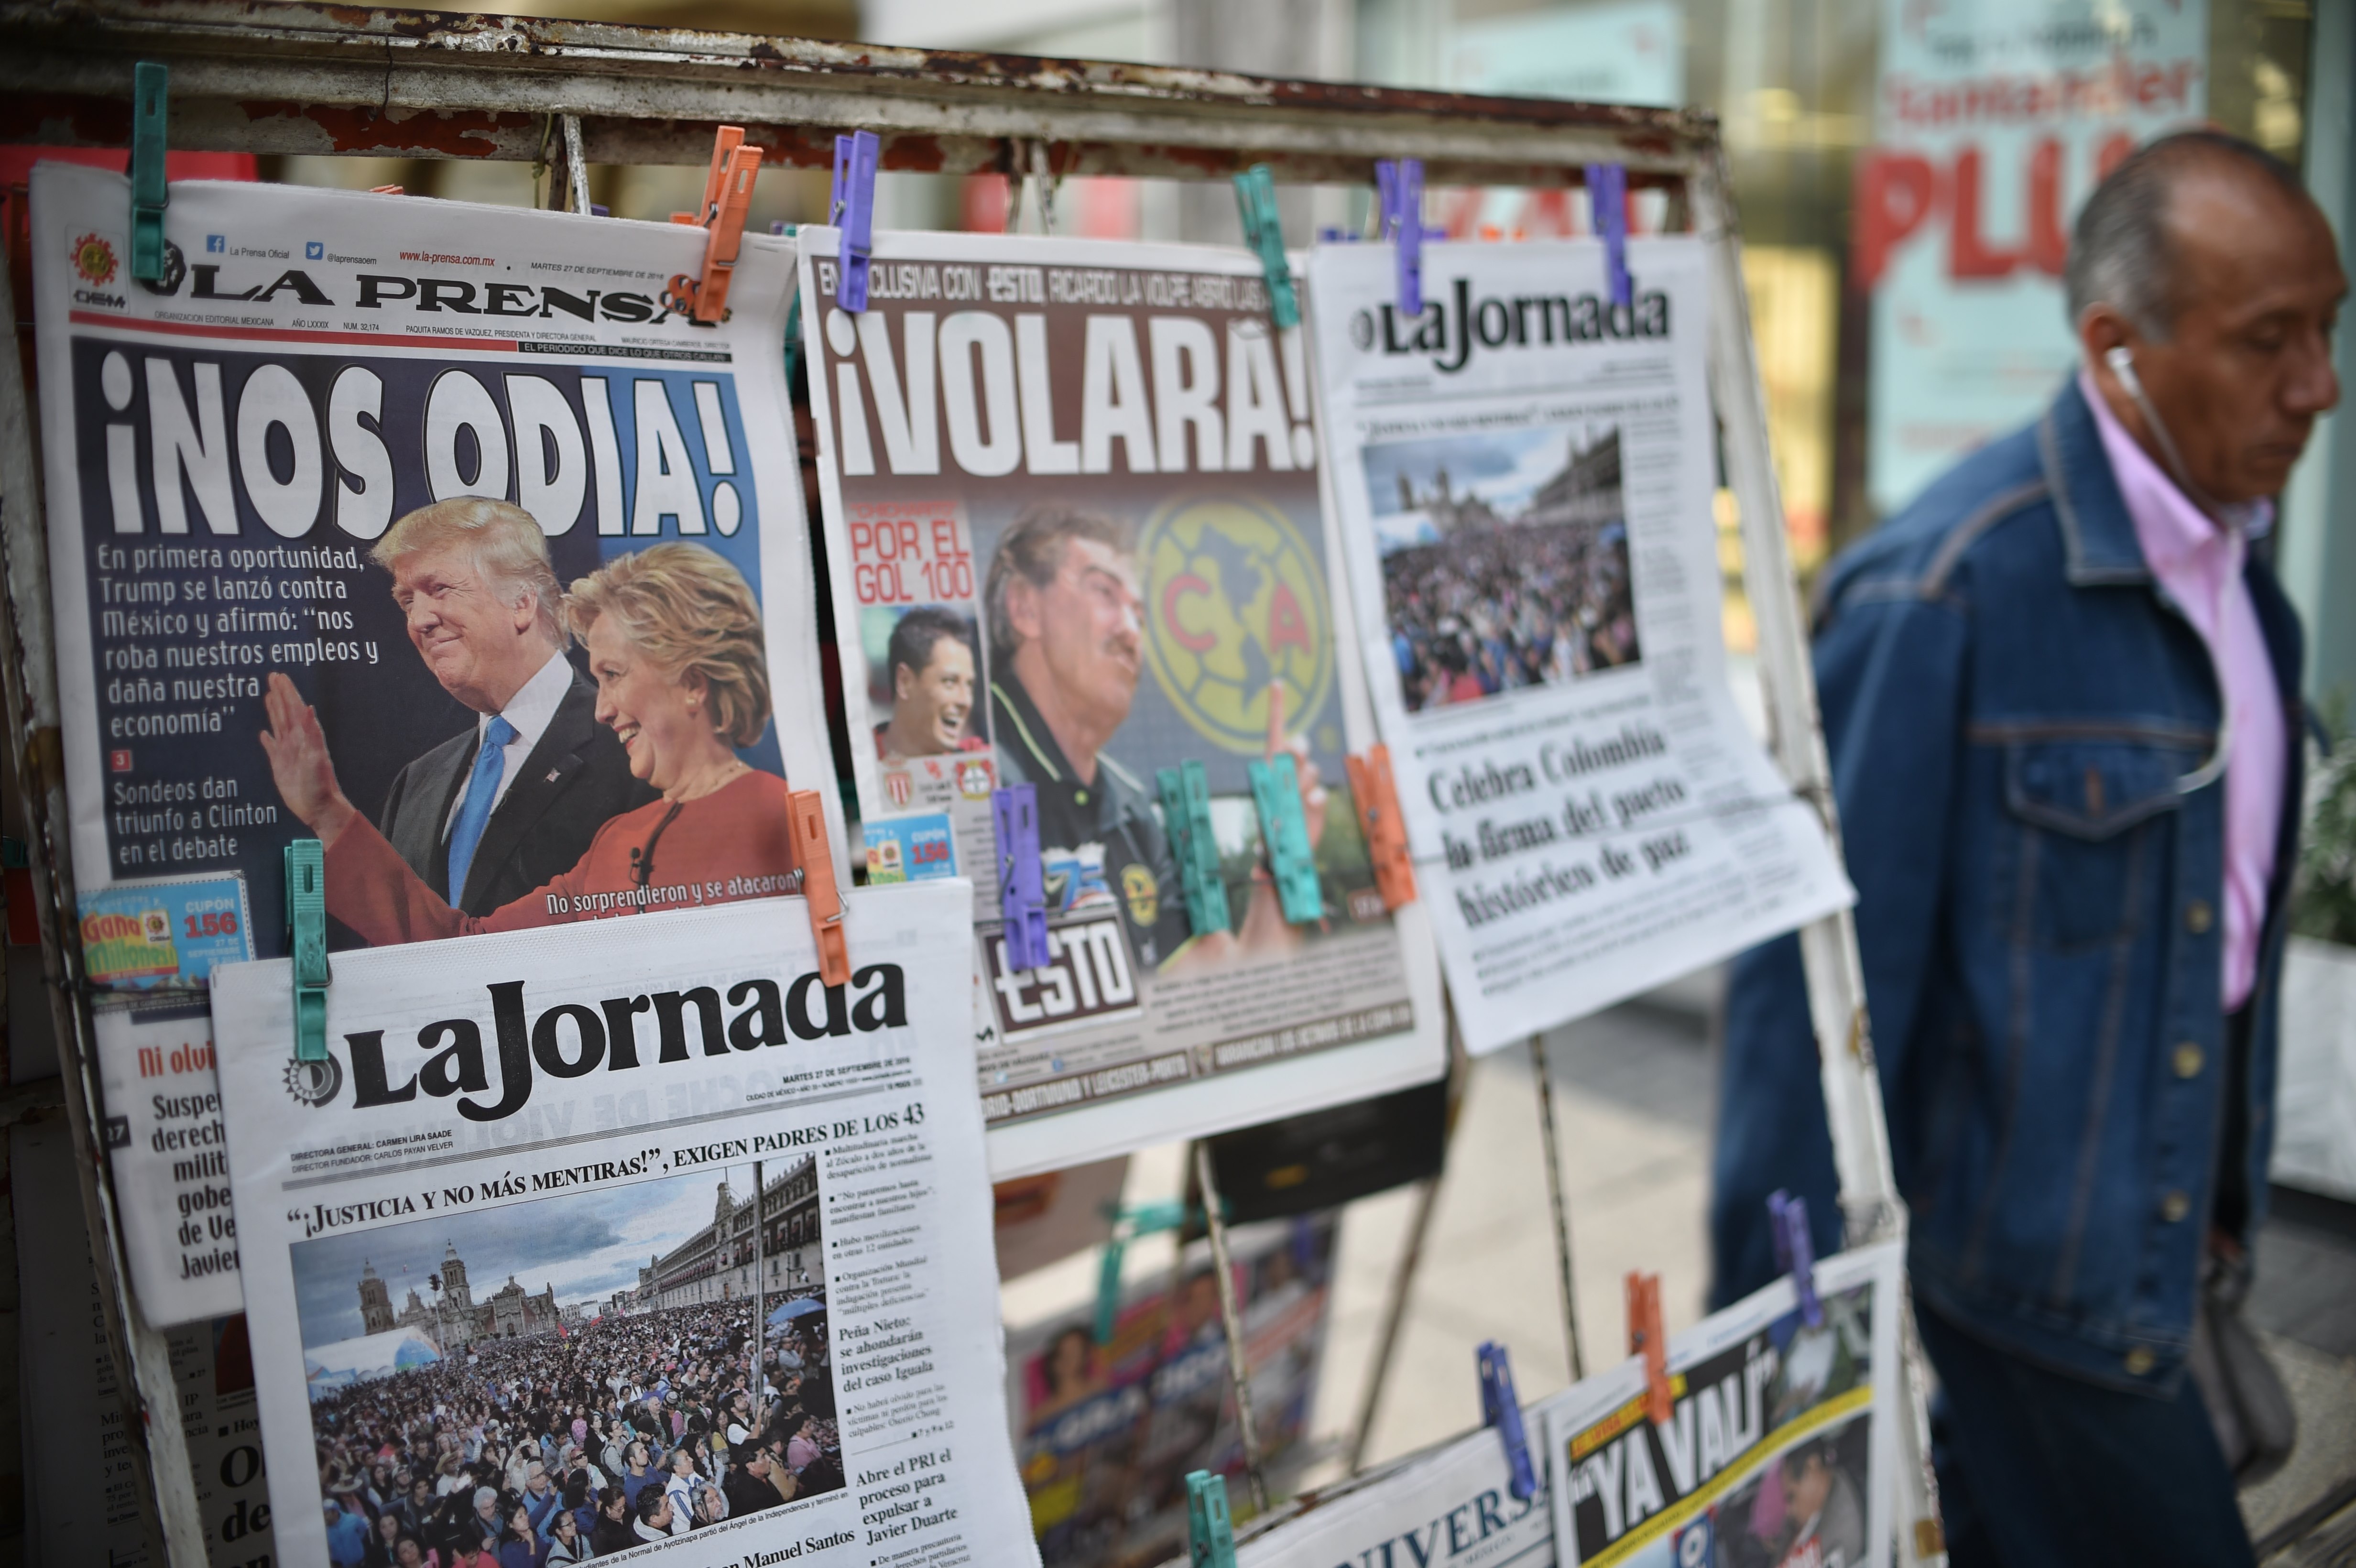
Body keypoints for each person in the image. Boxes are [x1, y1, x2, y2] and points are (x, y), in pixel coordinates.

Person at [1708, 130, 2342, 1568]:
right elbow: (1813, 1014)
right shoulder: (1940, 593)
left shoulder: (2245, 578)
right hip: (2035, 1296)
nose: (2317, 386)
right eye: (2266, 342)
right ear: (2115, 348)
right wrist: (1766, 1384)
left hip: (2176, 1250)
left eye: (2324, 328)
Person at [262, 542, 799, 946]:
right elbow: (466, 947)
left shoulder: (779, 818)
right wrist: (328, 812)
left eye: (614, 674)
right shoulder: (616, 843)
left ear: (692, 683)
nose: (602, 707)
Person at [983, 506, 1324, 972]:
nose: (1130, 631)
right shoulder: (967, 769)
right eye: (1104, 592)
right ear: (1024, 607)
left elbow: (1223, 1003)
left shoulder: (1131, 807)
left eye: (1139, 615)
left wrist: (1279, 859)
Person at [360, 499, 654, 915]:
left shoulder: (635, 750)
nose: (419, 621)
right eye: (407, 601)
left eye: (439, 589)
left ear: (522, 602)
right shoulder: (416, 784)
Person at [876, 607, 986, 761]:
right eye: (950, 682)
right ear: (905, 682)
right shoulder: (859, 758)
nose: (965, 701)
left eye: (969, 685)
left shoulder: (979, 760)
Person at [327, 1497, 374, 1568]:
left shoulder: (352, 1519)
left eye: (326, 1514)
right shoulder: (324, 1531)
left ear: (335, 1512)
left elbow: (363, 1531)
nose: (324, 1517)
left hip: (361, 1564)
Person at [589, 1487, 637, 1556]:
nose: (623, 1510)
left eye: (624, 1506)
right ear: (608, 1510)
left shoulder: (628, 1512)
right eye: (619, 1509)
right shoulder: (600, 1534)